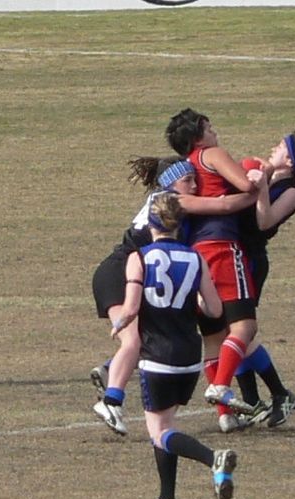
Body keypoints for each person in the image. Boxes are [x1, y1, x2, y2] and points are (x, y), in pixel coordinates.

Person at [90, 157, 254, 435]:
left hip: (132, 272)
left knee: (146, 336)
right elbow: (224, 205)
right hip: (119, 272)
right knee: (133, 340)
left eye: (194, 179)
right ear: (170, 183)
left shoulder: (167, 203)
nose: (194, 185)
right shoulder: (171, 200)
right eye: (187, 180)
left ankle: (110, 369)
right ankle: (110, 401)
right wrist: (253, 190)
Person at [109, 191, 237, 499]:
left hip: (157, 354)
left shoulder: (139, 257)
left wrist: (119, 325)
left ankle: (213, 459)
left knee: (160, 433)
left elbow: (132, 307)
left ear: (150, 223)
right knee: (166, 426)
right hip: (189, 355)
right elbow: (214, 308)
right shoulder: (195, 258)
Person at [166, 108, 260, 429]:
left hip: (196, 256)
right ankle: (221, 387)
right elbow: (245, 185)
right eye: (209, 127)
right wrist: (260, 175)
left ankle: (225, 418)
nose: (215, 132)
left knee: (213, 337)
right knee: (244, 328)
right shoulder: (211, 154)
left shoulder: (185, 169)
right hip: (222, 248)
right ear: (197, 136)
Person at [232, 131, 295, 430]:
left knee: (240, 332)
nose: (274, 147)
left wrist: (260, 189)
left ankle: (280, 394)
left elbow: (264, 222)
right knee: (233, 332)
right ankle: (251, 402)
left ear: (292, 160)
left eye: (281, 147)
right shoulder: (268, 177)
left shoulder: (291, 190)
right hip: (236, 255)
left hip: (252, 260)